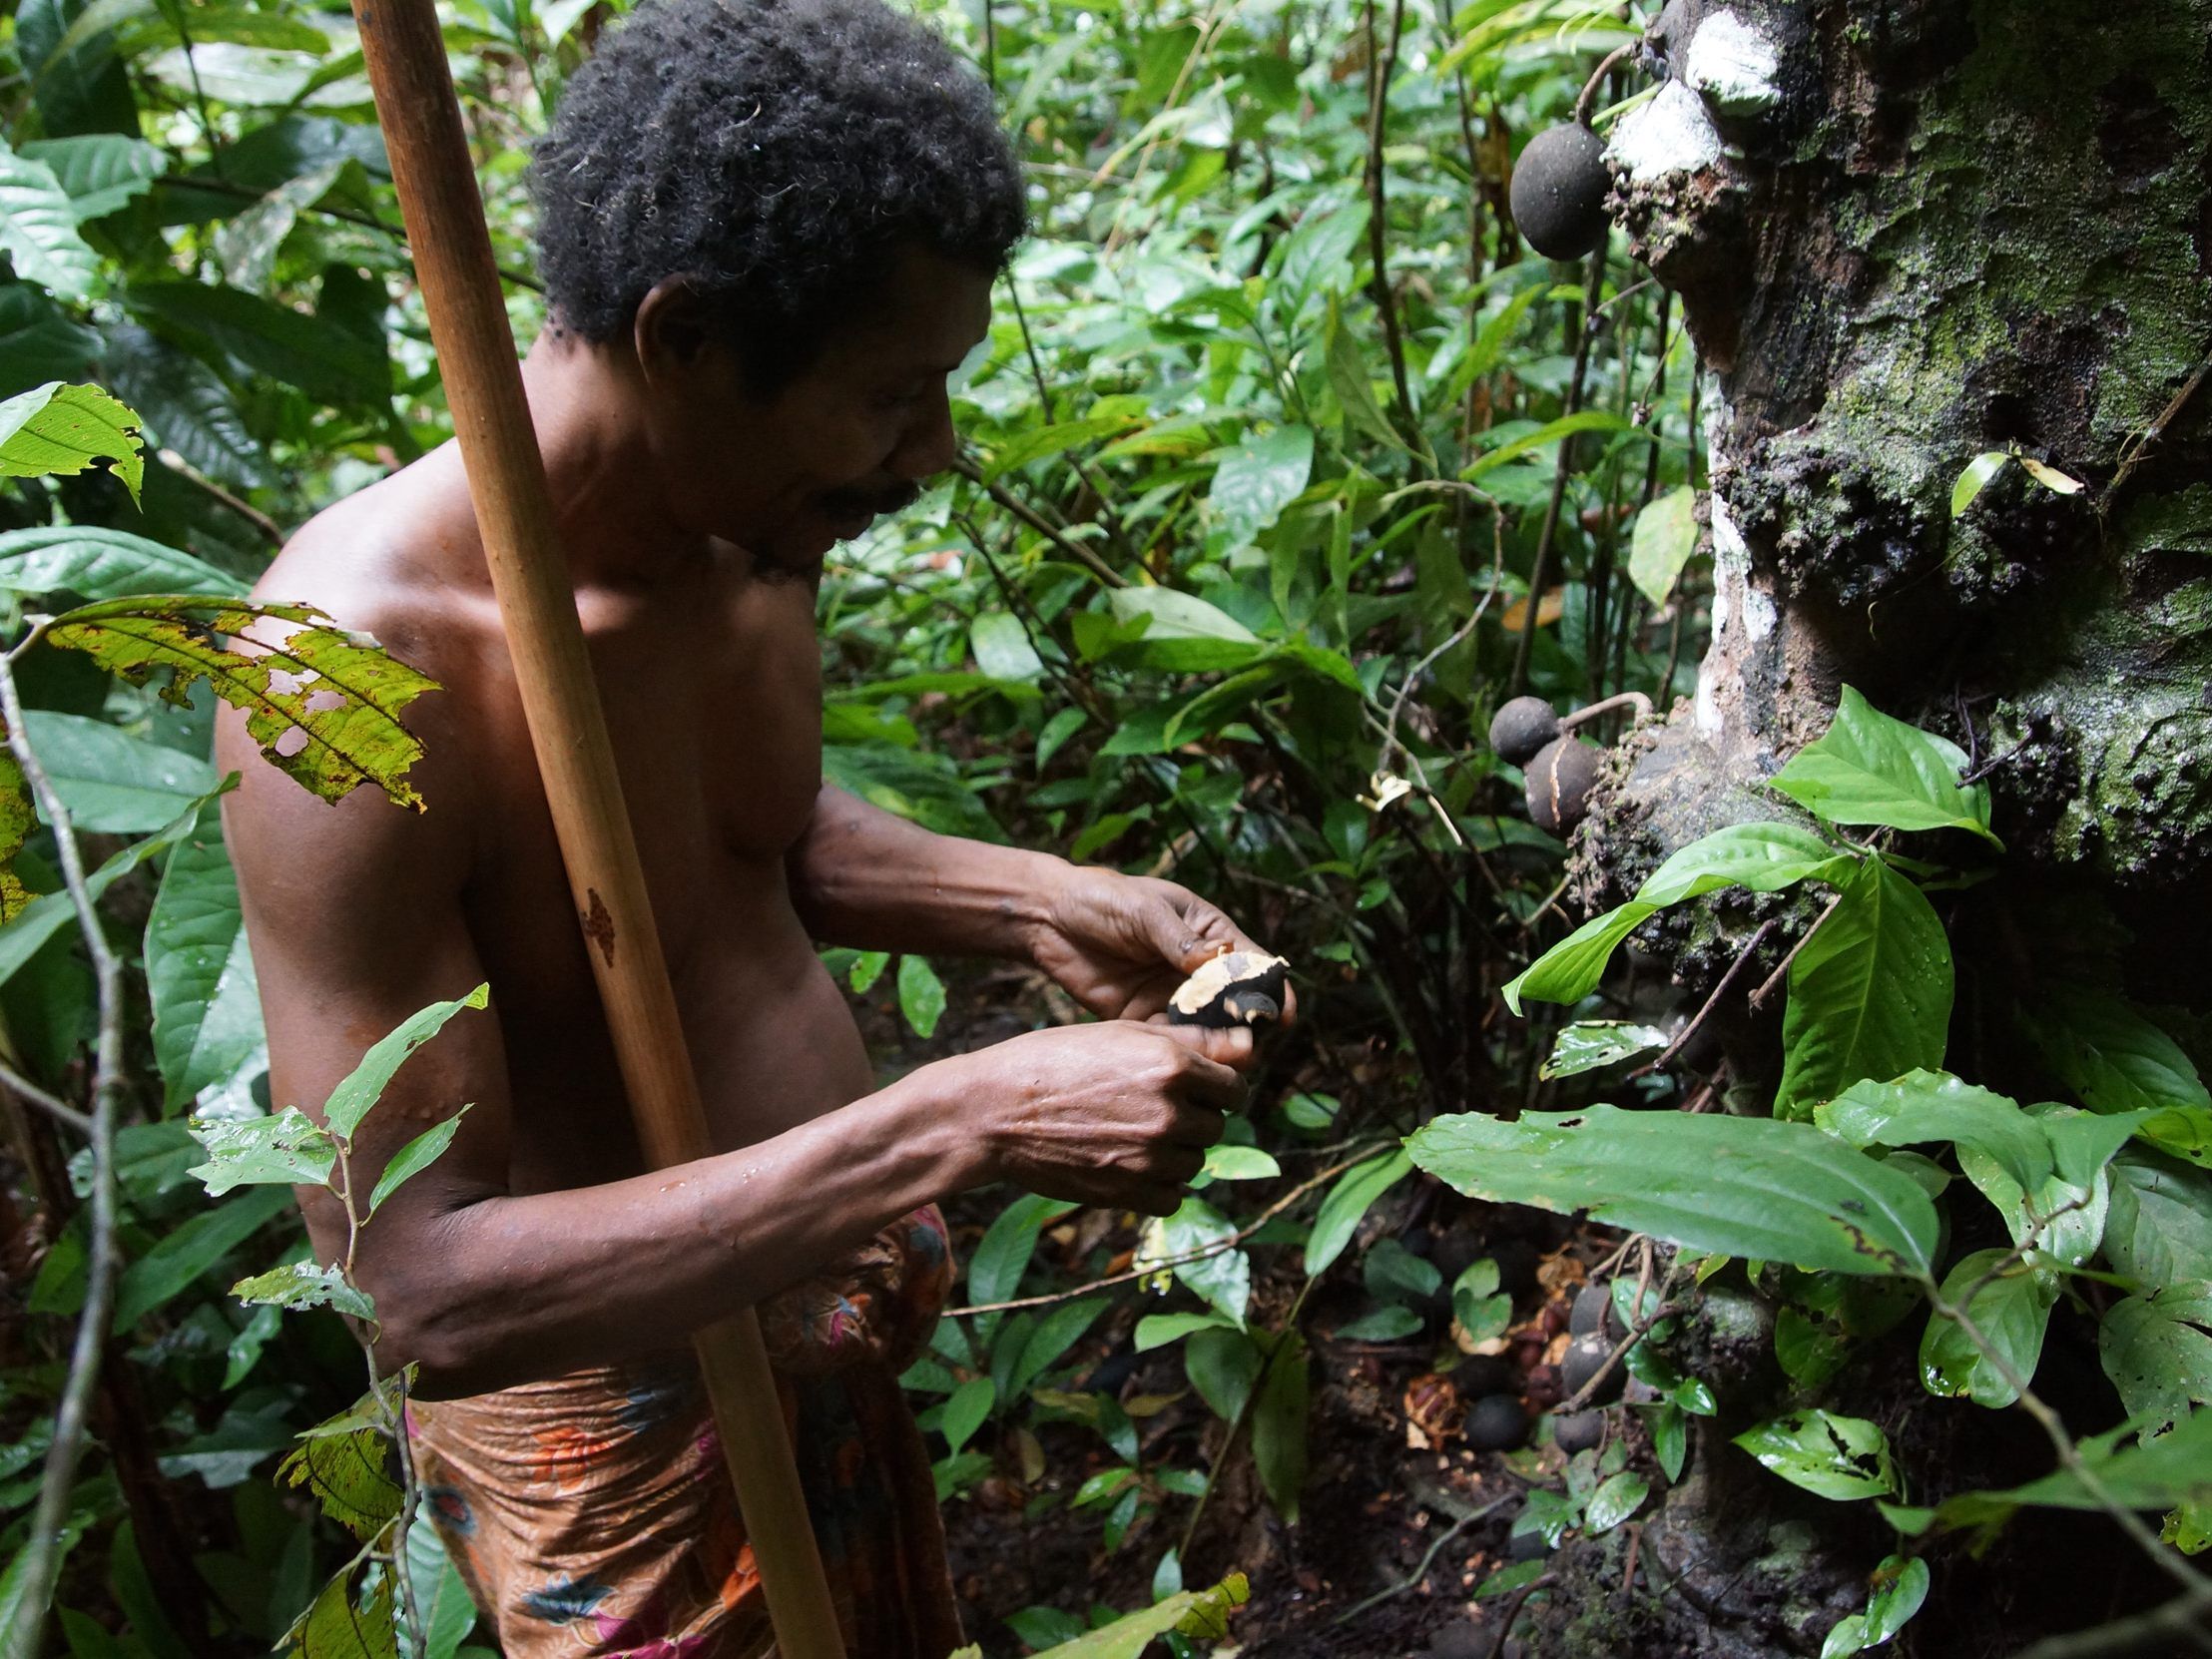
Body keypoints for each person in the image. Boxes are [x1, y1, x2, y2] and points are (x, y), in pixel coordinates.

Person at [217, 0, 1281, 1652]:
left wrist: (1031, 902)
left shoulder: (745, 533)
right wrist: (953, 1122)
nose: (933, 454)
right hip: (623, 1441)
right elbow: (413, 1284)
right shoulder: (354, 677)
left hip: (824, 1309)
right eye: (890, 396)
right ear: (687, 340)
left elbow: (736, 839)